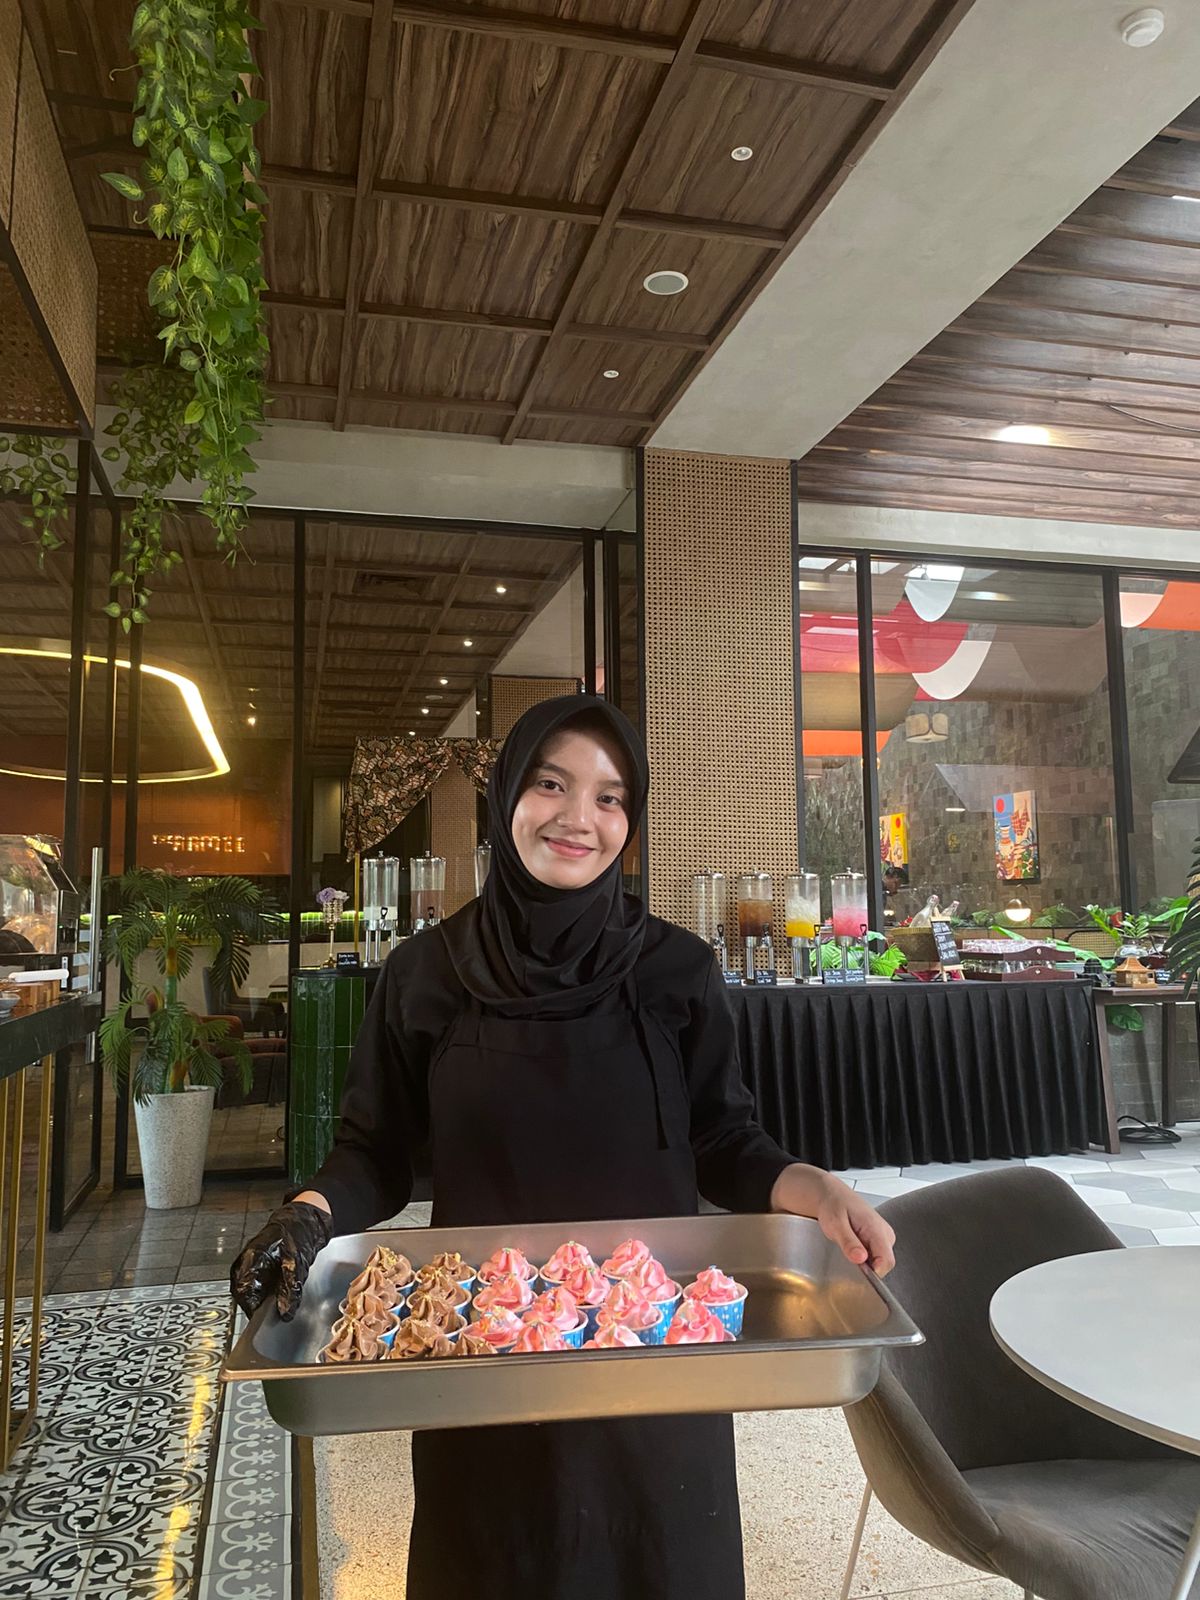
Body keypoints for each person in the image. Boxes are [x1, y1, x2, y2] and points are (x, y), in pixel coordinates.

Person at [232, 694, 895, 1600]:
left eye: (610, 797)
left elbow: (723, 1140)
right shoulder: (426, 974)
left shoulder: (677, 971)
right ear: (508, 794)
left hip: (654, 1360)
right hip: (483, 1362)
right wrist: (308, 1216)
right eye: (552, 784)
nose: (580, 817)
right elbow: (374, 1152)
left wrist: (814, 1189)